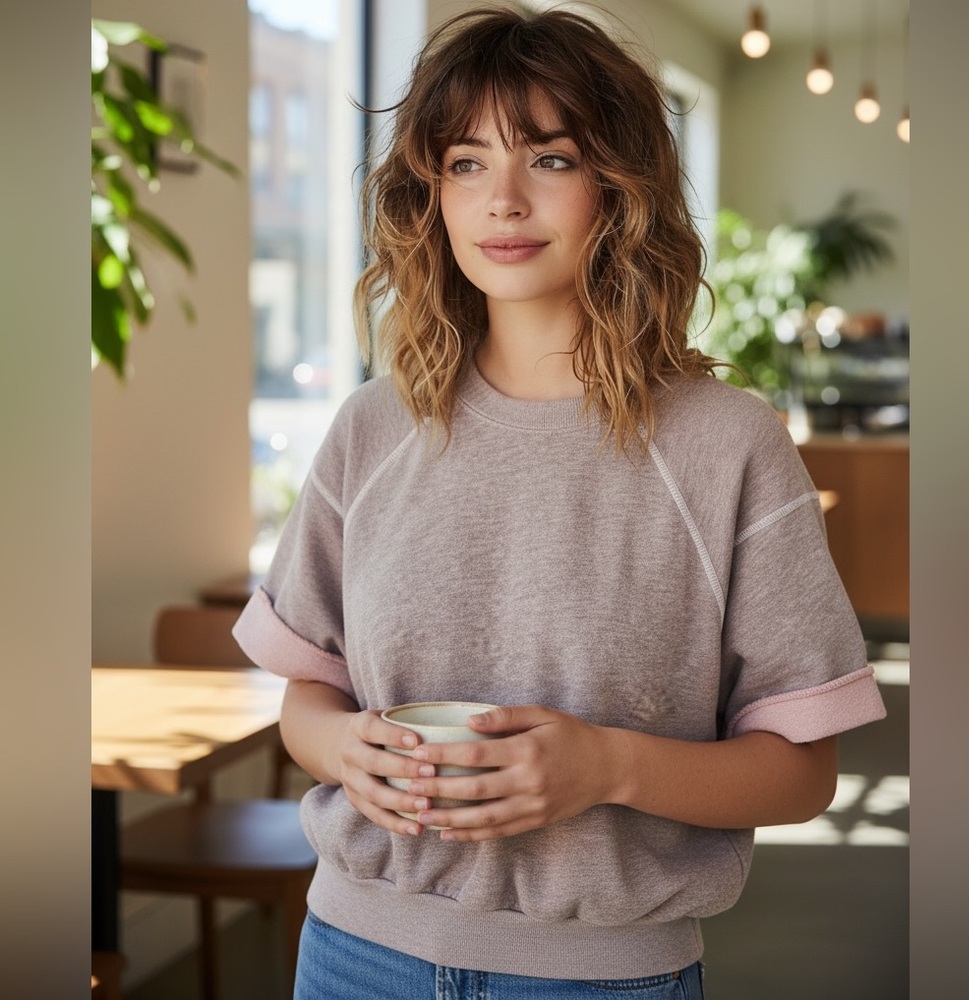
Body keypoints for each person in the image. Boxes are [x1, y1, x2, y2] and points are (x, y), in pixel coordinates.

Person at [233, 5, 887, 997]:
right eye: (465, 163)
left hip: (600, 979)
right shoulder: (372, 427)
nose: (501, 200)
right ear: (430, 197)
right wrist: (342, 749)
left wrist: (606, 768)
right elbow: (308, 696)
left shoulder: (726, 445)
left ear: (619, 188)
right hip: (351, 956)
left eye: (549, 158)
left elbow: (802, 773)